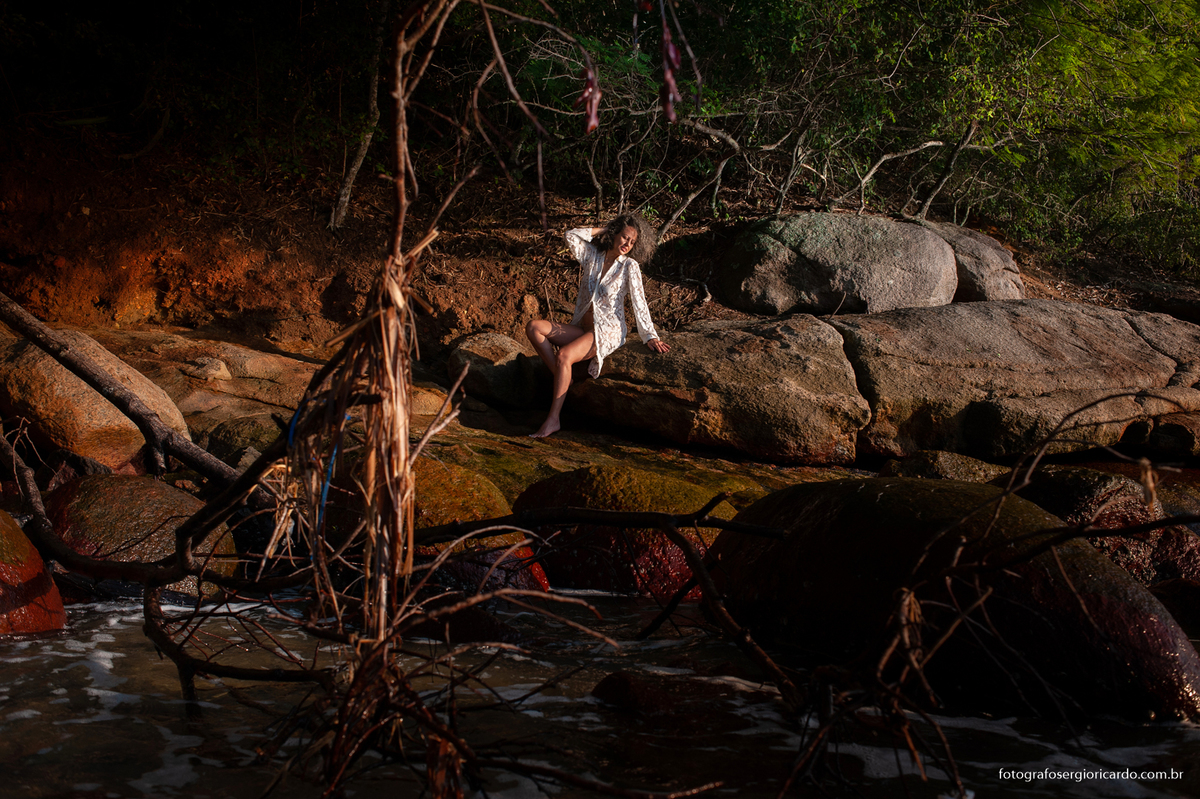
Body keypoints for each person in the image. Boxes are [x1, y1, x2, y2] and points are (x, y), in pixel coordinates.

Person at [525, 214, 670, 438]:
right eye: (624, 237)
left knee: (565, 356)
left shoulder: (629, 267)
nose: (627, 244)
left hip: (607, 330)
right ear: (614, 235)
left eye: (632, 242)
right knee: (534, 327)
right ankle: (562, 376)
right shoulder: (593, 256)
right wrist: (605, 229)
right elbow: (571, 235)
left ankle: (553, 420)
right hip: (583, 327)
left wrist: (650, 336)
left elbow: (639, 302)